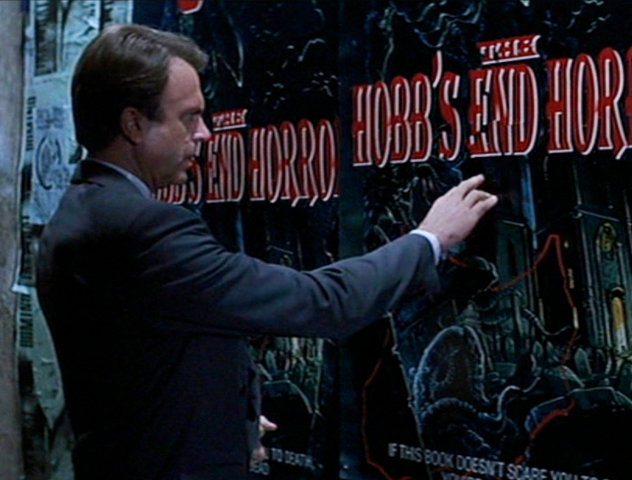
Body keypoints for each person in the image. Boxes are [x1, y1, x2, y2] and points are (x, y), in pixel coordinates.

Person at [35, 24, 498, 480]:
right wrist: (429, 239)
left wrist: (222, 421)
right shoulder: (142, 228)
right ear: (134, 124)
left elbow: (138, 369)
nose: (205, 134)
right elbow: (320, 301)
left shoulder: (78, 213)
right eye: (189, 117)